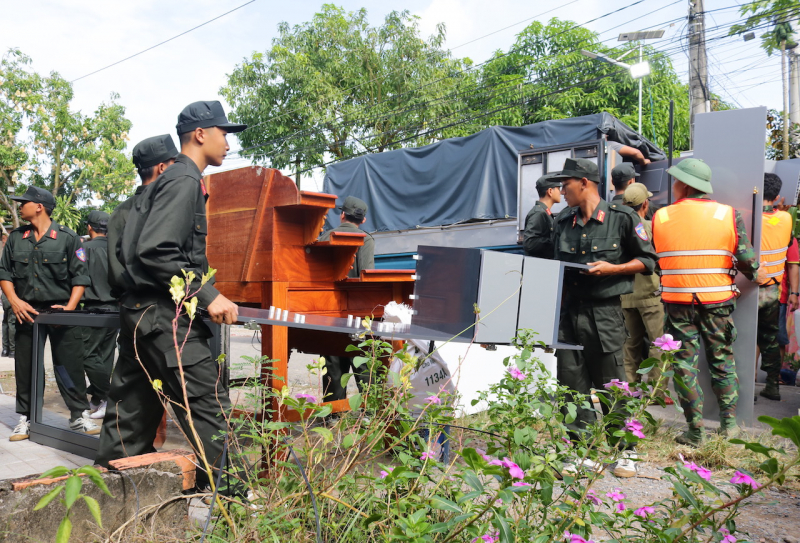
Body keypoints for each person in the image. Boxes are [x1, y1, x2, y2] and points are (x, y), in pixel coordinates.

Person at [95, 101, 245, 496]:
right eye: (223, 132)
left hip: (139, 315)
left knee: (129, 413)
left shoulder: (161, 184)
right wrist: (208, 295)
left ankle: (105, 496)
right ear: (200, 134)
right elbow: (158, 250)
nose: (227, 142)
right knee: (207, 408)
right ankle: (236, 504)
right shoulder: (182, 180)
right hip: (165, 316)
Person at [552, 158, 657, 478]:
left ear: (584, 183)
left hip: (606, 312)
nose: (561, 190)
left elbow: (647, 259)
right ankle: (579, 450)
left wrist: (615, 269)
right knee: (571, 384)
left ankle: (626, 450)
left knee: (612, 384)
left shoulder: (621, 218)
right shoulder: (563, 221)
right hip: (570, 313)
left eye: (566, 184)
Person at [652, 159, 760, 446]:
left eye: (676, 181)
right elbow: (747, 260)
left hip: (677, 306)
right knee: (722, 362)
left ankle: (695, 432)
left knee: (684, 366)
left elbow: (655, 260)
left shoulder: (660, 216)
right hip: (717, 303)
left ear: (686, 184)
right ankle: (730, 428)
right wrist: (756, 275)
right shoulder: (728, 214)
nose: (673, 185)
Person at [97, 135, 178, 455]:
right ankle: (220, 488)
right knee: (195, 402)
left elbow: (114, 274)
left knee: (127, 403)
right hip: (164, 311)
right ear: (162, 167)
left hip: (131, 311)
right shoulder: (163, 210)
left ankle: (111, 472)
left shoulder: (120, 212)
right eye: (174, 166)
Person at [0, 185, 98, 441]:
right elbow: (4, 273)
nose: (20, 207)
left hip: (61, 313)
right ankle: (26, 417)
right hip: (27, 312)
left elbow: (81, 276)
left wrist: (70, 308)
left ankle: (78, 415)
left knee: (69, 364)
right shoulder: (15, 238)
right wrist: (14, 301)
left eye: (24, 202)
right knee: (26, 367)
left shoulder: (68, 238)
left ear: (39, 206)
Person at [318, 196, 375, 401]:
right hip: (355, 311)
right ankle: (368, 411)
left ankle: (333, 413)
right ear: (363, 220)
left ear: (342, 214)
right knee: (361, 361)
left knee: (333, 363)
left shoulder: (325, 237)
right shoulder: (365, 239)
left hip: (327, 309)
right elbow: (366, 276)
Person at [620, 183, 669, 403]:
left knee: (629, 347)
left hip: (625, 296)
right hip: (651, 294)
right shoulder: (651, 227)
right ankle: (658, 392)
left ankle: (628, 390)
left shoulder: (617, 227)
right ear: (645, 204)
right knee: (658, 344)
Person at [756, 173, 794, 401]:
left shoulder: (747, 217)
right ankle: (772, 386)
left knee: (742, 337)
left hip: (748, 289)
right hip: (772, 290)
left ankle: (744, 388)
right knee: (769, 339)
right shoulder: (787, 218)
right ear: (777, 195)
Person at [79, 210, 118, 420]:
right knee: (105, 355)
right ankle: (99, 400)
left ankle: (108, 396)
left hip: (93, 309)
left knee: (86, 354)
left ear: (89, 227)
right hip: (115, 310)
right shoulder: (117, 249)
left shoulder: (83, 249)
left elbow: (76, 278)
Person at [522, 174, 561, 259]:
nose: (561, 192)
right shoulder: (539, 213)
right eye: (558, 189)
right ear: (550, 191)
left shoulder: (544, 213)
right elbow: (530, 243)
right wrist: (556, 241)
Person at [1, 231, 15, 358]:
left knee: (5, 321)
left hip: (4, 293)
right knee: (11, 321)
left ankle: (5, 349)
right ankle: (12, 349)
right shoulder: (11, 256)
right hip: (11, 291)